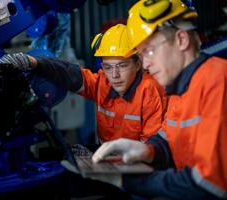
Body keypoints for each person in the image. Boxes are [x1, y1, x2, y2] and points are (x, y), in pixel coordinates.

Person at [88, 0, 227, 199]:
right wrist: (148, 150)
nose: (145, 65)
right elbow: (172, 139)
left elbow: (209, 182)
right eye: (141, 54)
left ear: (181, 40)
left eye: (149, 51)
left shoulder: (217, 80)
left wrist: (128, 181)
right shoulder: (179, 88)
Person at [0, 24, 167, 146]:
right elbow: (71, 74)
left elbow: (151, 146)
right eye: (108, 67)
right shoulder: (103, 83)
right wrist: (32, 62)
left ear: (138, 64)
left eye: (122, 66)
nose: (114, 75)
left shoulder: (150, 90)